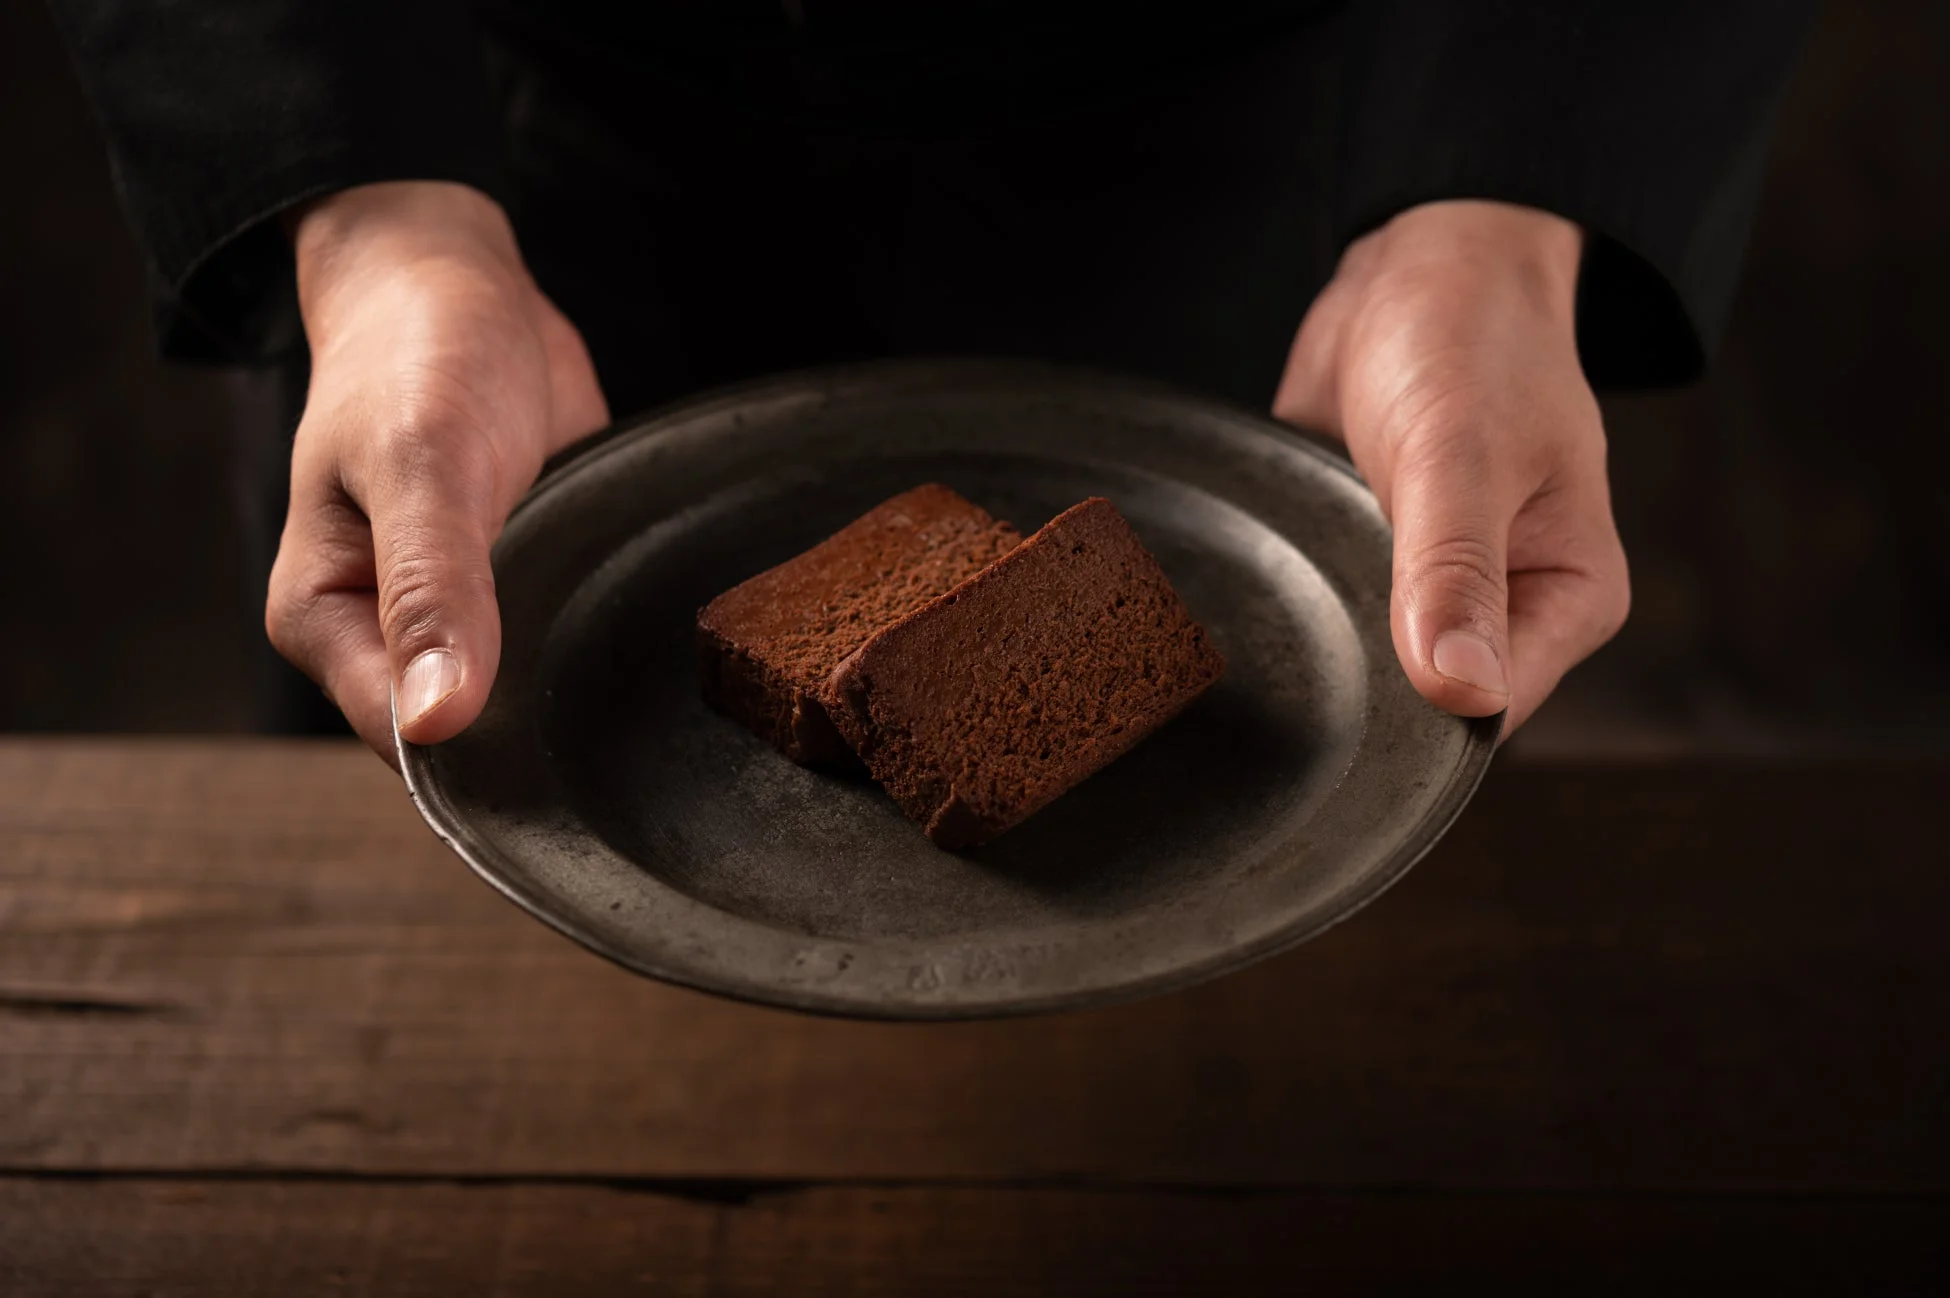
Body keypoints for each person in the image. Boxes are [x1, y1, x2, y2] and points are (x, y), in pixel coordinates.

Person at [48, 0, 1814, 761]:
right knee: (463, 806)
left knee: (1249, 891)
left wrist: (1497, 204)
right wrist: (371, 223)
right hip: (486, 145)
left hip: (1252, 133)